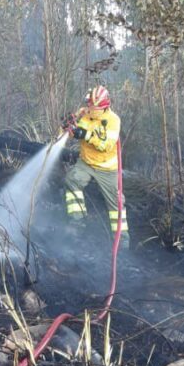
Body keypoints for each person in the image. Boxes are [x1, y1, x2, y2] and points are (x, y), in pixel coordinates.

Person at [64, 85, 129, 249]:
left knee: (116, 203)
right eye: (90, 105)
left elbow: (106, 145)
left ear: (104, 107)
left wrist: (85, 135)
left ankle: (122, 240)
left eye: (94, 107)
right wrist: (68, 127)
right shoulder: (84, 113)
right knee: (72, 180)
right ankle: (77, 222)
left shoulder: (113, 120)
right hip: (86, 163)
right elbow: (72, 132)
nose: (90, 109)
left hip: (107, 169)